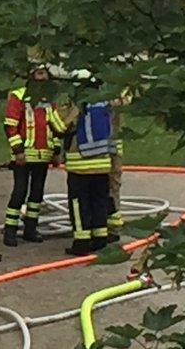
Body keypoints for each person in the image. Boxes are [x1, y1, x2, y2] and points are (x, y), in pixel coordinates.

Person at [1, 62, 61, 246]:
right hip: (24, 155)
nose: (42, 78)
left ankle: (30, 228)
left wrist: (56, 151)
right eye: (39, 73)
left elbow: (56, 126)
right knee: (19, 192)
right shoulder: (19, 96)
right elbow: (10, 125)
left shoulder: (50, 99)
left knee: (37, 195)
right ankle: (10, 230)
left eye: (44, 74)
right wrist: (18, 151)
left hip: (43, 155)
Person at [61, 87, 118, 255]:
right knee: (99, 202)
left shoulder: (78, 105)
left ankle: (81, 242)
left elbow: (61, 125)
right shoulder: (105, 102)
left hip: (80, 166)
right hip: (102, 165)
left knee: (79, 205)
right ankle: (100, 239)